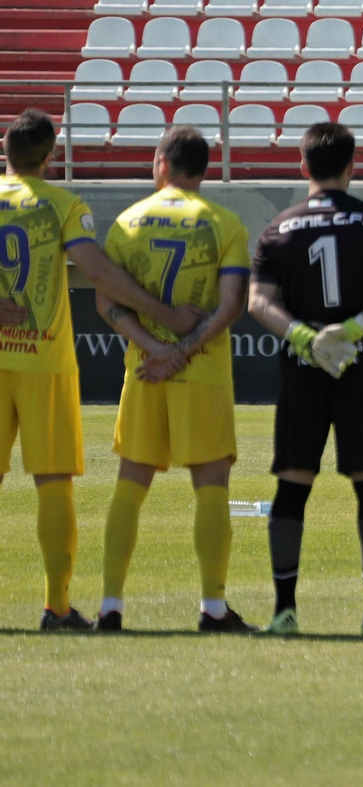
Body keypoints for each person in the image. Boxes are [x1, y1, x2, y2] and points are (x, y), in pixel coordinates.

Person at [1, 110, 203, 631]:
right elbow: (95, 270)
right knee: (52, 483)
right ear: (50, 157)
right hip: (43, 360)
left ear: (5, 151)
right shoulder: (65, 205)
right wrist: (163, 316)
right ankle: (56, 607)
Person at [249, 122, 363, 637]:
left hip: (302, 371)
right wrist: (349, 331)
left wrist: (307, 337)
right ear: (351, 167)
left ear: (303, 166)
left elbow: (258, 303)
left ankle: (283, 614)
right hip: (360, 369)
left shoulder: (278, 227)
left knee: (291, 486)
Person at [95, 126, 255, 632]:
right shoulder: (225, 224)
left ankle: (110, 607)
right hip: (202, 372)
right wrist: (183, 350)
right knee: (211, 487)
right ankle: (213, 608)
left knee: (130, 485)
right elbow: (232, 304)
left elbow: (105, 301)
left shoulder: (127, 222)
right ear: (204, 170)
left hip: (144, 372)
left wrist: (156, 349)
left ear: (161, 163)